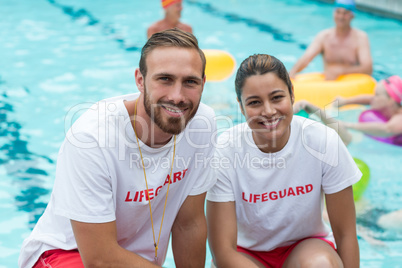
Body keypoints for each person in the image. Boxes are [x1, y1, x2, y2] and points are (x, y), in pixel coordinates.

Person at [18, 28, 216, 268]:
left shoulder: (202, 124)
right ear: (140, 80)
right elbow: (99, 259)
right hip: (67, 254)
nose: (177, 96)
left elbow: (189, 223)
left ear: (203, 84)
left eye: (190, 82)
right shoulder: (92, 139)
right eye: (165, 79)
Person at [207, 54, 361, 268]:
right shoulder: (225, 151)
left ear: (292, 95)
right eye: (254, 102)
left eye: (277, 97)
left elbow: (345, 235)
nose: (268, 111)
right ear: (241, 108)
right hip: (246, 254)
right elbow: (222, 251)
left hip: (306, 247)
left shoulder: (322, 141)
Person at [294, 75, 402, 145]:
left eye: (377, 95)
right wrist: (346, 101)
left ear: (390, 101)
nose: (373, 98)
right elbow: (369, 99)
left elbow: (387, 129)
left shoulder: (399, 118)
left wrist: (348, 125)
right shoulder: (386, 102)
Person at [289, 0, 372, 80]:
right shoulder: (324, 36)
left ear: (352, 15)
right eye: (338, 12)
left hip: (353, 87)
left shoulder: (360, 37)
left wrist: (341, 71)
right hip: (329, 86)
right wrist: (292, 72)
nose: (341, 16)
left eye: (345, 13)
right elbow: (306, 58)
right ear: (333, 13)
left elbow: (368, 69)